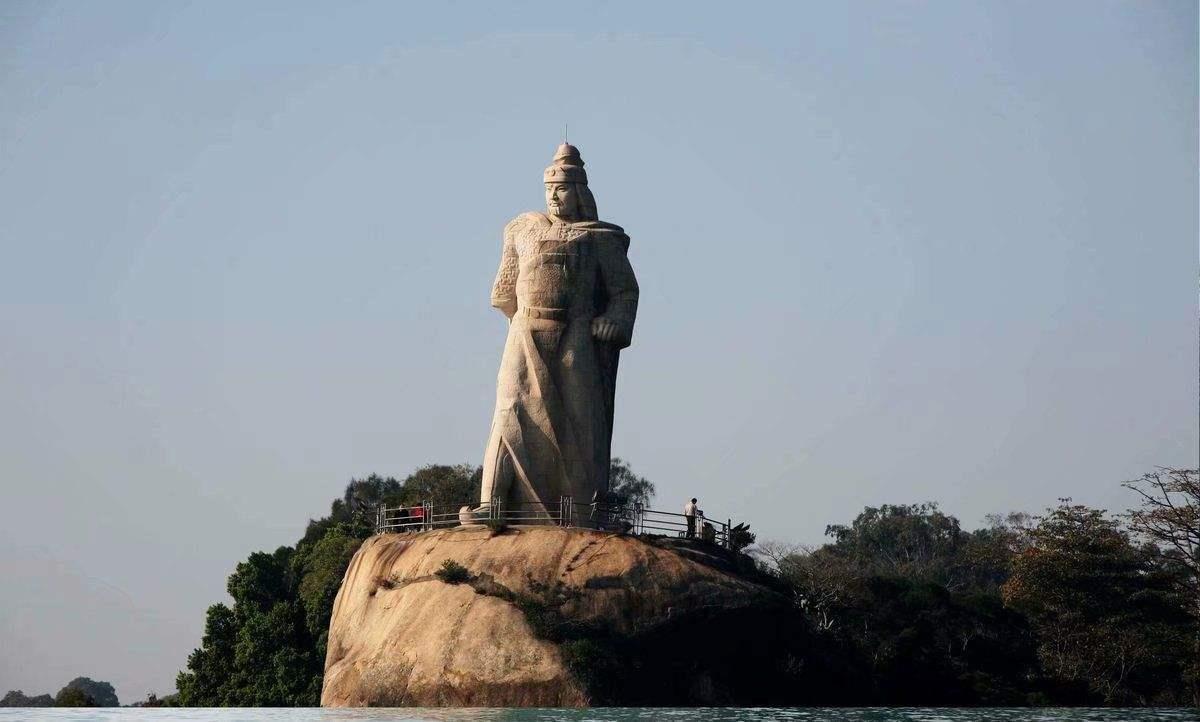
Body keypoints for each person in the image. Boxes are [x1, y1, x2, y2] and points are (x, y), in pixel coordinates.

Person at [478, 143, 640, 515]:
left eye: (562, 188)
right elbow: (502, 293)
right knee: (510, 410)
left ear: (579, 192)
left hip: (576, 337)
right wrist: (528, 319)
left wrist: (613, 320)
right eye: (549, 188)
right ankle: (493, 503)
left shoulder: (600, 237)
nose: (553, 196)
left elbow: (625, 292)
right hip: (525, 332)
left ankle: (579, 511)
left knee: (580, 423)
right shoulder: (521, 229)